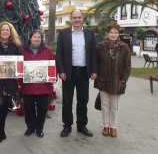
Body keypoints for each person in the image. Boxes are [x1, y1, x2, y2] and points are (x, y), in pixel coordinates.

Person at [56, 9, 97, 138]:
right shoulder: (64, 33)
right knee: (67, 101)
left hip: (84, 72)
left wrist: (94, 70)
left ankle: (81, 125)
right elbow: (59, 55)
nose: (77, 20)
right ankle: (67, 126)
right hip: (69, 73)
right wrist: (61, 71)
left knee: (83, 101)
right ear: (71, 18)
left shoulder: (90, 33)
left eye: (79, 17)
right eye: (75, 17)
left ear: (82, 18)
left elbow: (93, 54)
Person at [94, 22, 131, 137]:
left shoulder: (124, 47)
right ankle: (105, 126)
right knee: (105, 105)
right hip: (103, 81)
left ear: (118, 34)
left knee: (114, 105)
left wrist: (123, 81)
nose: (113, 34)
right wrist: (97, 75)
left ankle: (113, 127)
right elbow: (96, 63)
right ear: (107, 33)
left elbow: (127, 66)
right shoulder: (101, 46)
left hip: (117, 82)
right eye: (111, 32)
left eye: (115, 32)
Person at [20, 30, 55, 138]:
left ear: (41, 39)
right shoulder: (23, 51)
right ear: (30, 38)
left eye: (38, 37)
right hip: (28, 87)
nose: (36, 39)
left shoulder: (47, 51)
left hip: (43, 87)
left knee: (42, 109)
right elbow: (19, 67)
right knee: (29, 109)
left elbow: (53, 65)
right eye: (34, 37)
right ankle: (30, 127)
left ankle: (39, 129)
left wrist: (53, 76)